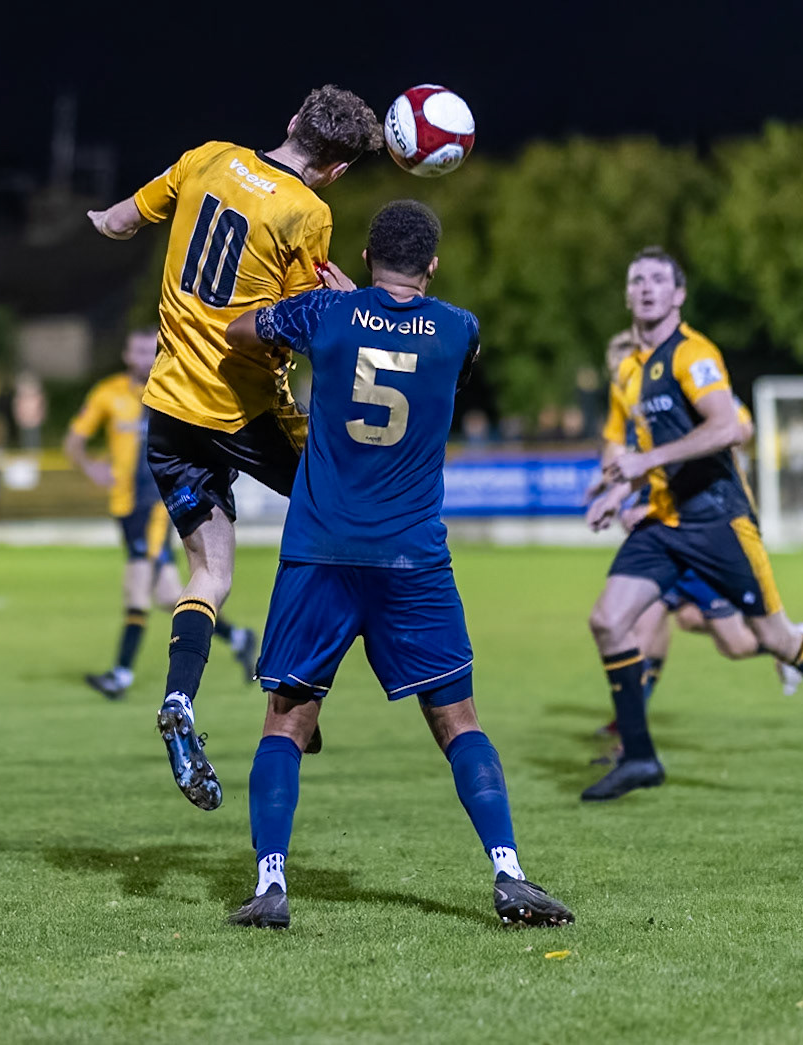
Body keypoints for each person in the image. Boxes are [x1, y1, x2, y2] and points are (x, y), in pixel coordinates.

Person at [221, 200, 572, 930]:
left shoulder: (324, 314)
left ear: (366, 252)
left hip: (321, 549)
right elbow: (424, 347)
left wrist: (332, 303)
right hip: (413, 556)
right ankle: (509, 873)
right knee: (458, 721)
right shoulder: (458, 328)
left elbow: (239, 332)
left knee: (286, 720)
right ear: (433, 264)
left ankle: (271, 883)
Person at [86, 85, 382, 810]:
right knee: (345, 510)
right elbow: (290, 320)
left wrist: (98, 218)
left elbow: (120, 220)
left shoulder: (207, 157)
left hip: (168, 408)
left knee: (208, 571)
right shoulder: (307, 212)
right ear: (338, 169)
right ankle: (293, 683)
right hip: (244, 410)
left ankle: (180, 699)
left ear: (290, 122)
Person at [582, 247, 803, 802]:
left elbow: (728, 427)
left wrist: (640, 466)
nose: (647, 287)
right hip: (662, 523)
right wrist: (617, 489)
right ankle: (640, 757)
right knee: (609, 620)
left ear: (678, 295)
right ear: (627, 295)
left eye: (659, 279)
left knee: (770, 638)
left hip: (716, 520)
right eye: (637, 280)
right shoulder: (628, 372)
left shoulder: (693, 354)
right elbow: (640, 452)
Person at [64, 330, 258, 699]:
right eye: (136, 349)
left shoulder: (170, 391)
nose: (142, 356)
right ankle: (237, 637)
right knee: (171, 596)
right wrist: (91, 468)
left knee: (136, 584)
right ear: (125, 354)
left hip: (156, 505)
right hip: (124, 506)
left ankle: (120, 675)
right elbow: (74, 440)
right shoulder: (108, 393)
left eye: (148, 350)